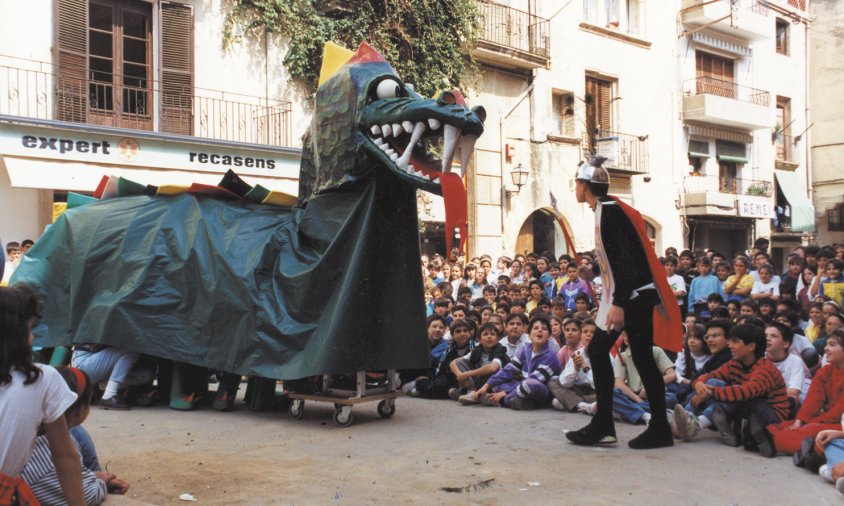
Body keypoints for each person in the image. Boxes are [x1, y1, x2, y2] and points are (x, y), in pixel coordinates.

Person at [565, 156, 682, 449]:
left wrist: (617, 302)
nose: (575, 189)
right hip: (633, 294)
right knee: (636, 356)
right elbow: (616, 259)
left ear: (584, 185)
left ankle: (607, 425)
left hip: (632, 297)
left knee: (603, 349)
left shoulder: (610, 212)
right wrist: (592, 271)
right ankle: (647, 427)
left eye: (577, 183)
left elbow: (630, 261)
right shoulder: (606, 209)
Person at [0, 285, 85, 505]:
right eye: (29, 330)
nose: (31, 338)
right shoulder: (42, 379)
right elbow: (65, 455)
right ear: (16, 335)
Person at [673, 324, 789, 457]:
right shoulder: (735, 363)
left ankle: (695, 424)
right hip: (747, 413)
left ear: (751, 346)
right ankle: (687, 419)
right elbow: (710, 376)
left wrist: (711, 392)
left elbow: (747, 392)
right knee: (713, 383)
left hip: (771, 417)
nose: (730, 345)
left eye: (735, 342)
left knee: (738, 395)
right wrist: (699, 384)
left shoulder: (765, 368)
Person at [21, 366, 130, 505]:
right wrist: (102, 481)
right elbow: (87, 496)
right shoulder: (50, 459)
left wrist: (94, 477)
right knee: (75, 431)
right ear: (80, 410)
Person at [771, 329, 844, 460]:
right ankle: (766, 439)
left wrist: (809, 424)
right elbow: (812, 401)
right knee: (783, 426)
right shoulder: (825, 371)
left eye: (832, 345)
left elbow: (838, 412)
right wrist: (800, 420)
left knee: (810, 430)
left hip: (839, 424)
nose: (826, 349)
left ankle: (768, 442)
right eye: (826, 344)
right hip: (821, 419)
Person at [471, 315, 561, 410]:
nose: (540, 330)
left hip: (541, 390)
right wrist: (485, 386)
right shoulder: (525, 349)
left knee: (530, 383)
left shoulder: (550, 355)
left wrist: (505, 392)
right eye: (535, 328)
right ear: (529, 335)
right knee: (494, 376)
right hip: (520, 387)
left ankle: (500, 400)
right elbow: (508, 370)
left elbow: (534, 379)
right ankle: (519, 402)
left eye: (544, 329)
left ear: (549, 336)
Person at [611, 331, 678, 426]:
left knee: (671, 398)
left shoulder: (656, 351)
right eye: (625, 334)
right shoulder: (622, 356)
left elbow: (671, 375)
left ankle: (625, 411)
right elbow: (619, 384)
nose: (628, 337)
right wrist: (638, 399)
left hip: (656, 394)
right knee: (609, 392)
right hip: (633, 396)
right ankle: (644, 415)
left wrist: (650, 386)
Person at [453, 322, 510, 404]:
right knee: (459, 362)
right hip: (479, 382)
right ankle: (472, 392)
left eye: (492, 334)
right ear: (479, 339)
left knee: (486, 365)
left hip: (495, 385)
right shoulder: (477, 350)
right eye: (485, 334)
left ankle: (477, 395)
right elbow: (453, 363)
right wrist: (459, 374)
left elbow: (492, 368)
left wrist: (467, 374)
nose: (489, 337)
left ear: (497, 339)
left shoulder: (500, 350)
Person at [550, 319, 598, 414]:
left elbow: (600, 385)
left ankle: (572, 402)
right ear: (581, 335)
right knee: (553, 382)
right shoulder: (577, 354)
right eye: (585, 332)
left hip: (596, 392)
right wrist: (575, 368)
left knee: (557, 402)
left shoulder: (605, 355)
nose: (588, 335)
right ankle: (582, 405)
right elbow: (564, 383)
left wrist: (585, 368)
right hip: (579, 390)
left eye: (592, 332)